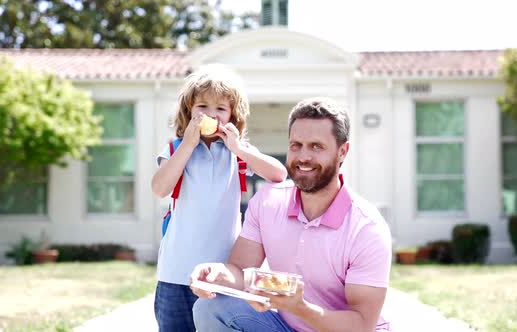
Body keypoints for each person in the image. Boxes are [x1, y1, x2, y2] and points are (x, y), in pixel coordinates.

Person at [190, 97, 392, 332]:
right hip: (286, 327)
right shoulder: (267, 202)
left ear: (342, 152)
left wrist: (300, 307)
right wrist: (216, 273)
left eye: (317, 146)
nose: (303, 157)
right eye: (296, 145)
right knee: (210, 308)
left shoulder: (366, 228)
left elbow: (361, 324)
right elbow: (239, 270)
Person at [151, 64, 287, 332]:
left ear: (233, 117)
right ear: (189, 111)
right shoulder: (177, 149)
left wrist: (237, 147)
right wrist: (188, 145)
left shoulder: (237, 152)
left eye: (220, 109)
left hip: (222, 274)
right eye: (202, 106)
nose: (210, 114)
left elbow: (278, 174)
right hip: (176, 272)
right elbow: (159, 188)